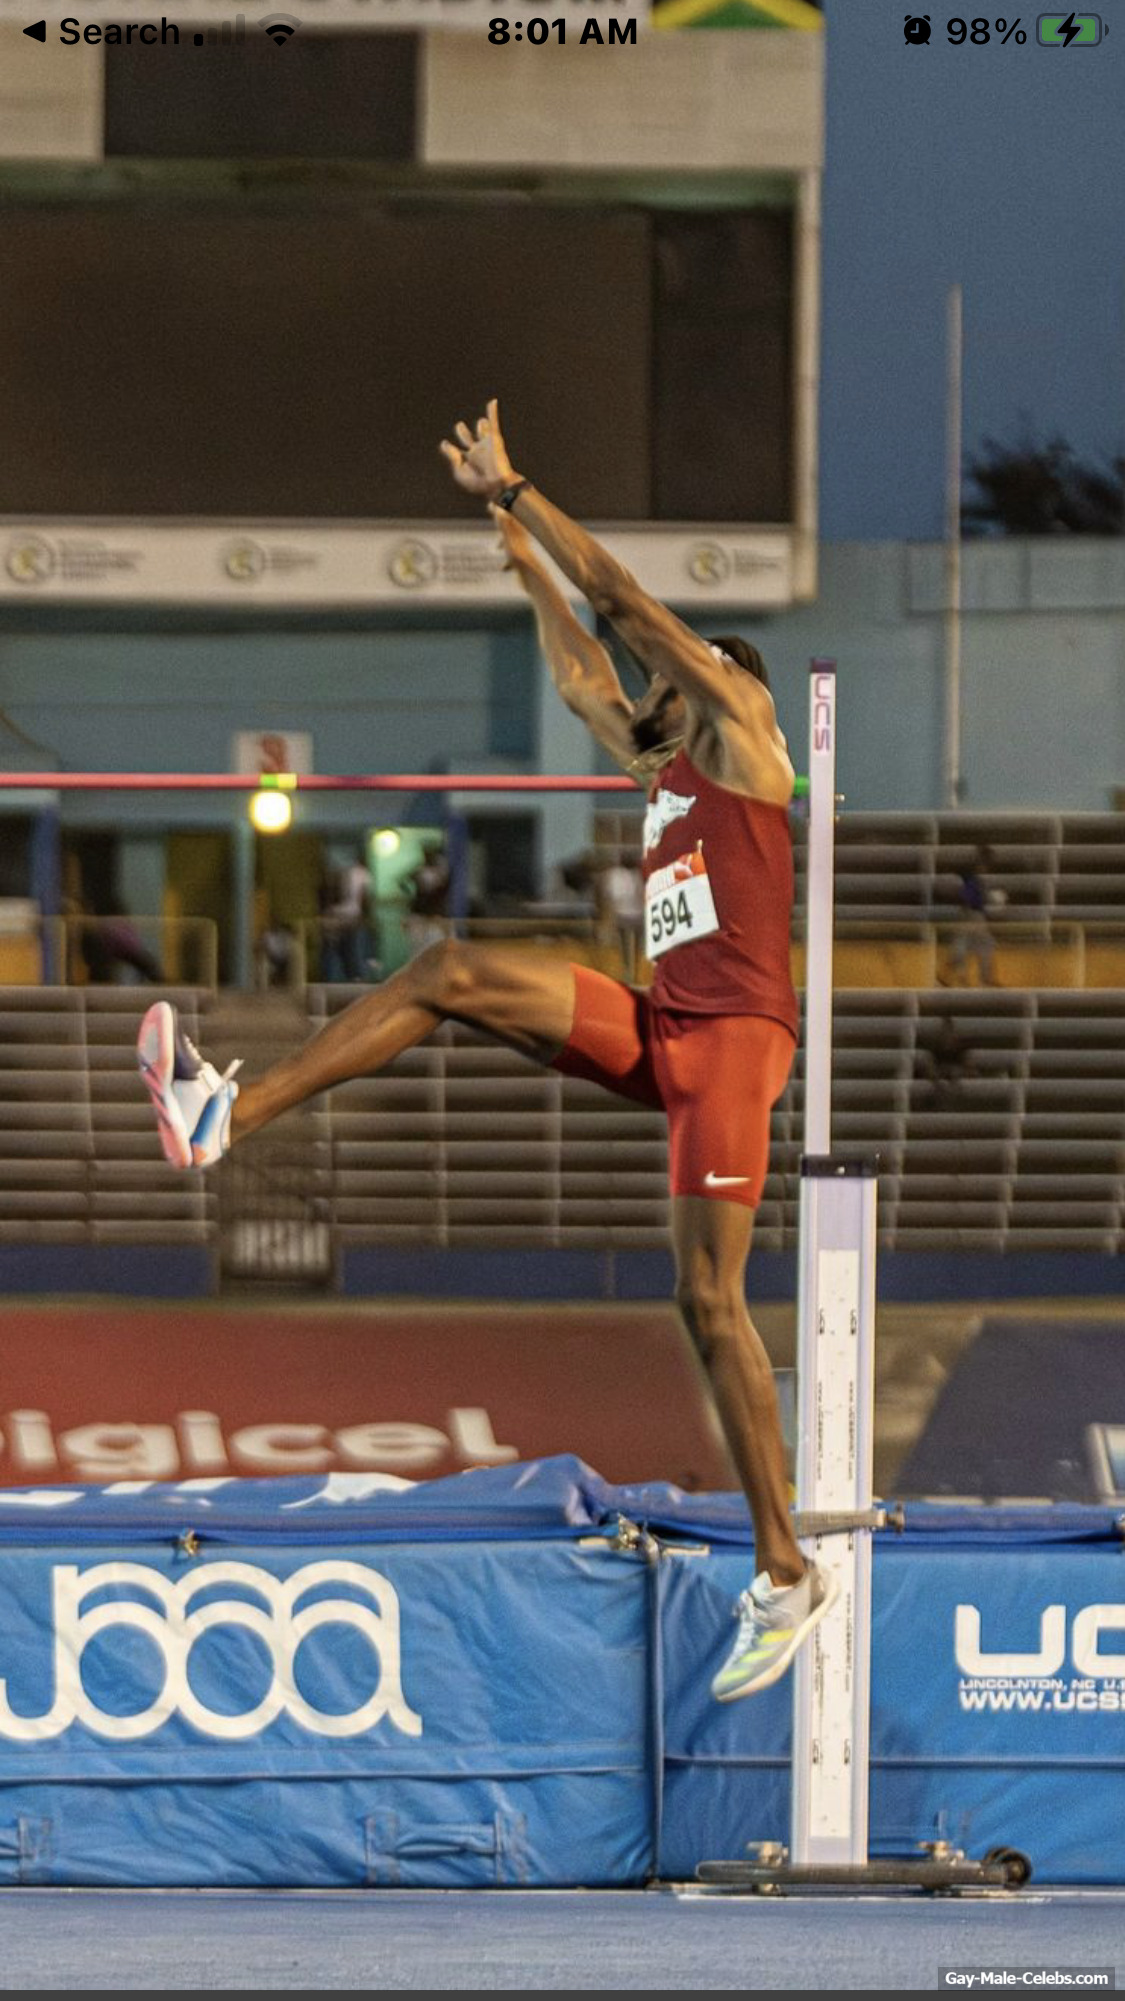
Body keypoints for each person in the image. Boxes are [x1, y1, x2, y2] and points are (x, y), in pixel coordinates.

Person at [137, 397, 835, 1702]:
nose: (653, 715)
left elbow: (622, 609)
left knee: (708, 1301)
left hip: (735, 1045)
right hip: (665, 1031)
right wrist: (509, 555)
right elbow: (585, 670)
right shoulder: (666, 776)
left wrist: (522, 495)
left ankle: (785, 1568)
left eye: (672, 699)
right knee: (447, 969)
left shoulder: (740, 735)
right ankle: (225, 1113)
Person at [941, 843, 1002, 987]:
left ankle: (955, 979)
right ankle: (949, 979)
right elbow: (968, 898)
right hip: (970, 915)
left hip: (974, 915)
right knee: (963, 948)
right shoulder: (971, 877)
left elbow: (972, 899)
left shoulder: (976, 877)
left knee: (981, 946)